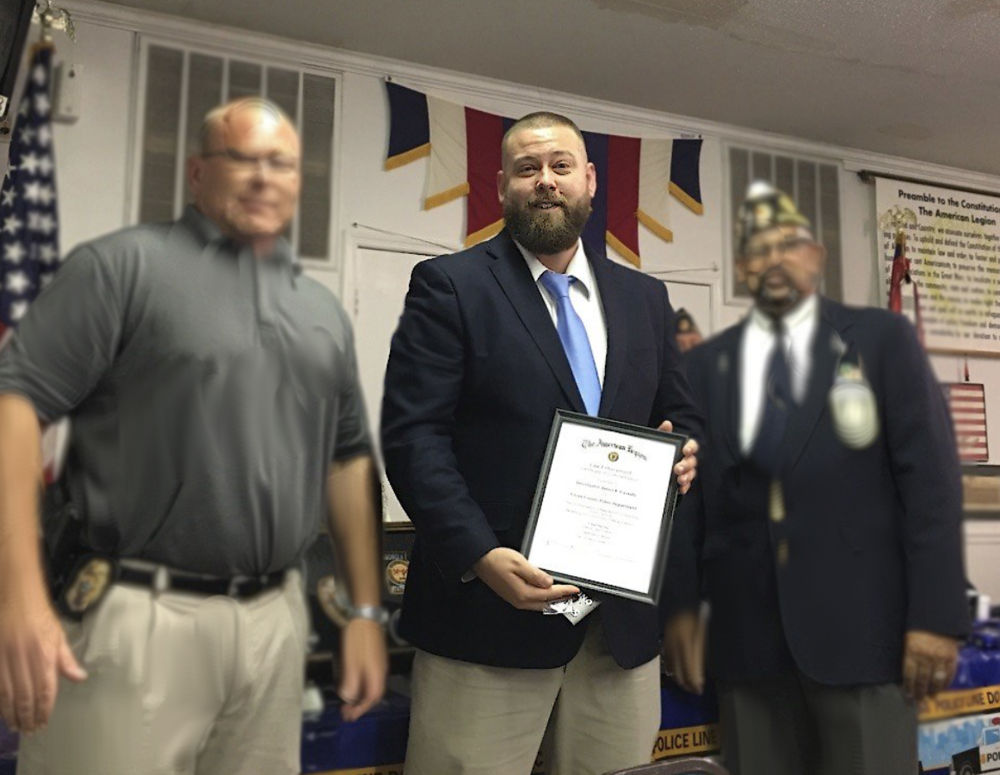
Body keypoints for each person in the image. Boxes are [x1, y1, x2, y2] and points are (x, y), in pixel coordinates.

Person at [0, 97, 387, 775]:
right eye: (241, 158)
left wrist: (362, 609)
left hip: (275, 621)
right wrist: (18, 592)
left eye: (282, 164)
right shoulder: (121, 268)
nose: (264, 177)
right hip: (133, 618)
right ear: (197, 172)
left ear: (299, 182)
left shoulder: (321, 313)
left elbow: (347, 461)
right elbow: (15, 403)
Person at [381, 111, 703, 775]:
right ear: (502, 185)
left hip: (616, 636)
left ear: (589, 181)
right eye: (528, 169)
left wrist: (688, 453)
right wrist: (478, 553)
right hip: (486, 622)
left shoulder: (646, 299)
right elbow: (415, 437)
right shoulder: (451, 286)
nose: (546, 181)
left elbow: (680, 414)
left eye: (561, 166)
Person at [662, 182, 969, 775]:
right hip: (743, 641)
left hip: (863, 637)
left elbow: (931, 486)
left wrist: (935, 617)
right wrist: (676, 610)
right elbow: (686, 499)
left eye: (790, 244)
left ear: (816, 258)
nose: (774, 258)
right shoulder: (701, 368)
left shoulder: (883, 343)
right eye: (759, 248)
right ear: (744, 267)